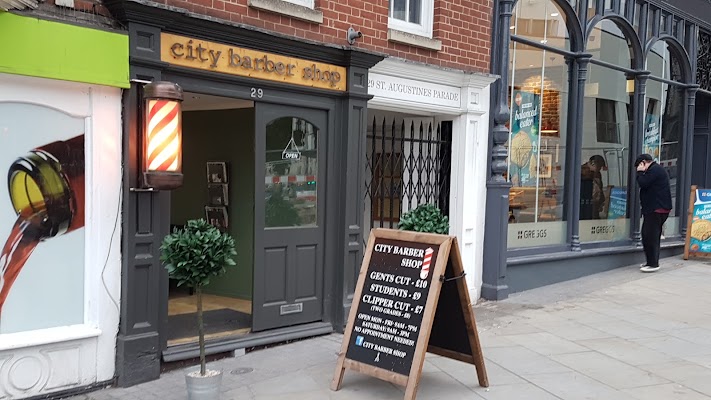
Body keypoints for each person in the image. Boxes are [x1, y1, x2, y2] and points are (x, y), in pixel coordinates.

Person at [635, 153, 672, 273]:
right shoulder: (656, 170)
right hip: (656, 208)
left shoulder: (654, 170)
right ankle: (650, 262)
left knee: (650, 236)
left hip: (656, 209)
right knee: (649, 235)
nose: (638, 169)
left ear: (643, 163)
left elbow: (643, 183)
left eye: (639, 166)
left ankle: (653, 263)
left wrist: (640, 172)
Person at [580, 155, 607, 219]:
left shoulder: (597, 174)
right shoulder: (582, 171)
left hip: (594, 203)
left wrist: (601, 200)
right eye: (599, 166)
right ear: (593, 163)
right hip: (585, 202)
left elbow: (600, 188)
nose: (600, 169)